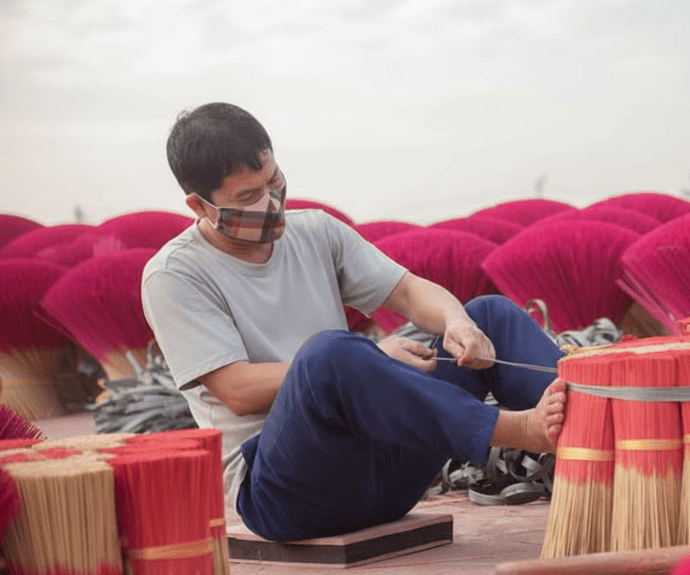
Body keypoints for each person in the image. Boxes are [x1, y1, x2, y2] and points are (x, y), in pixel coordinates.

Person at [141, 102, 568, 541]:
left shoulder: (317, 232)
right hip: (287, 495)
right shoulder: (174, 275)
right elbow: (234, 389)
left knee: (489, 316)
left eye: (274, 182)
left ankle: (601, 429)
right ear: (200, 206)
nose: (271, 204)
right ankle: (522, 429)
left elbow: (406, 291)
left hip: (384, 478)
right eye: (249, 198)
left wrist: (456, 322)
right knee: (330, 356)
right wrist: (370, 361)